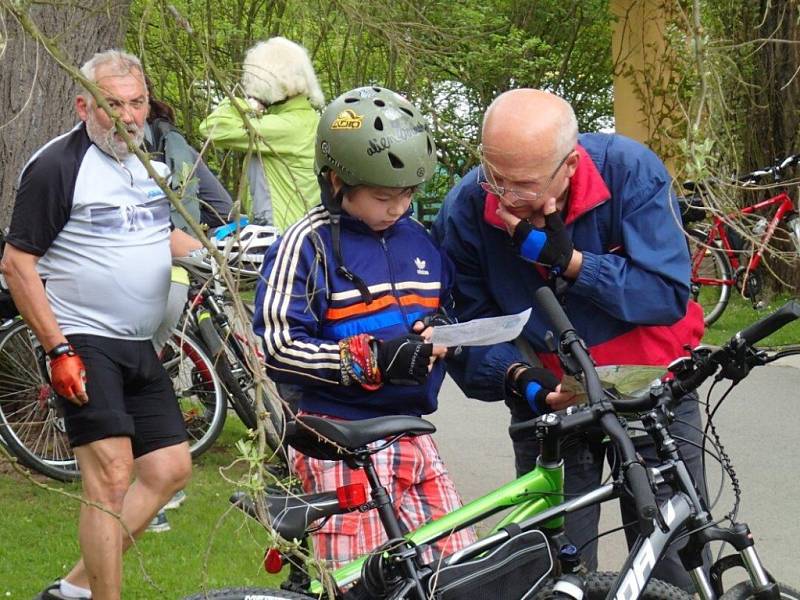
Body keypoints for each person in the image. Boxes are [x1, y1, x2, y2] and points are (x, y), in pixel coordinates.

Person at [431, 88, 706, 590]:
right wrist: (522, 382)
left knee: (675, 559)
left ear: (570, 165)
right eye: (497, 179)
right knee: (554, 566)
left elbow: (668, 293)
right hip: (554, 405)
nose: (508, 198)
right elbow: (468, 331)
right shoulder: (467, 208)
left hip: (651, 389)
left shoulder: (631, 172)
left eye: (526, 184)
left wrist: (573, 263)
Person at [253, 86, 476, 570]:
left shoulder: (420, 241)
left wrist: (438, 333)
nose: (398, 208)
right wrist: (370, 359)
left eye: (408, 195)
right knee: (361, 579)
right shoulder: (306, 245)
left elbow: (446, 310)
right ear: (337, 182)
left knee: (455, 569)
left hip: (410, 432)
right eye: (383, 197)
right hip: (338, 440)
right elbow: (276, 345)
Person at [1, 49, 192, 600]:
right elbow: (17, 263)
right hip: (82, 338)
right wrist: (58, 349)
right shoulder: (59, 165)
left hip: (138, 341)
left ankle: (71, 590)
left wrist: (220, 249)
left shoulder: (143, 159)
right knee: (109, 479)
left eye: (137, 104)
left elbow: (156, 236)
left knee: (169, 470)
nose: (129, 117)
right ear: (84, 104)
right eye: (114, 104)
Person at [145, 83, 234, 532]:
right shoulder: (177, 143)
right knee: (152, 373)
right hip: (180, 271)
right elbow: (219, 204)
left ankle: (153, 490)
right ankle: (161, 485)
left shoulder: (117, 148)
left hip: (143, 272)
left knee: (134, 378)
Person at [199, 36, 323, 232]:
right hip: (303, 233)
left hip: (281, 236)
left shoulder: (285, 127)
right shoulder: (307, 119)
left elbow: (212, 127)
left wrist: (250, 102)